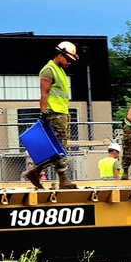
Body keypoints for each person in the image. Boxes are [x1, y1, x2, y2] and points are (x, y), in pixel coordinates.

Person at [25, 41, 79, 190]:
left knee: (59, 148)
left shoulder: (59, 70)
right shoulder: (49, 70)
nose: (69, 63)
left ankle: (36, 171)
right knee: (60, 146)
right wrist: (43, 112)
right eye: (68, 59)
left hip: (61, 113)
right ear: (60, 55)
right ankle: (62, 179)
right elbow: (44, 93)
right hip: (54, 113)